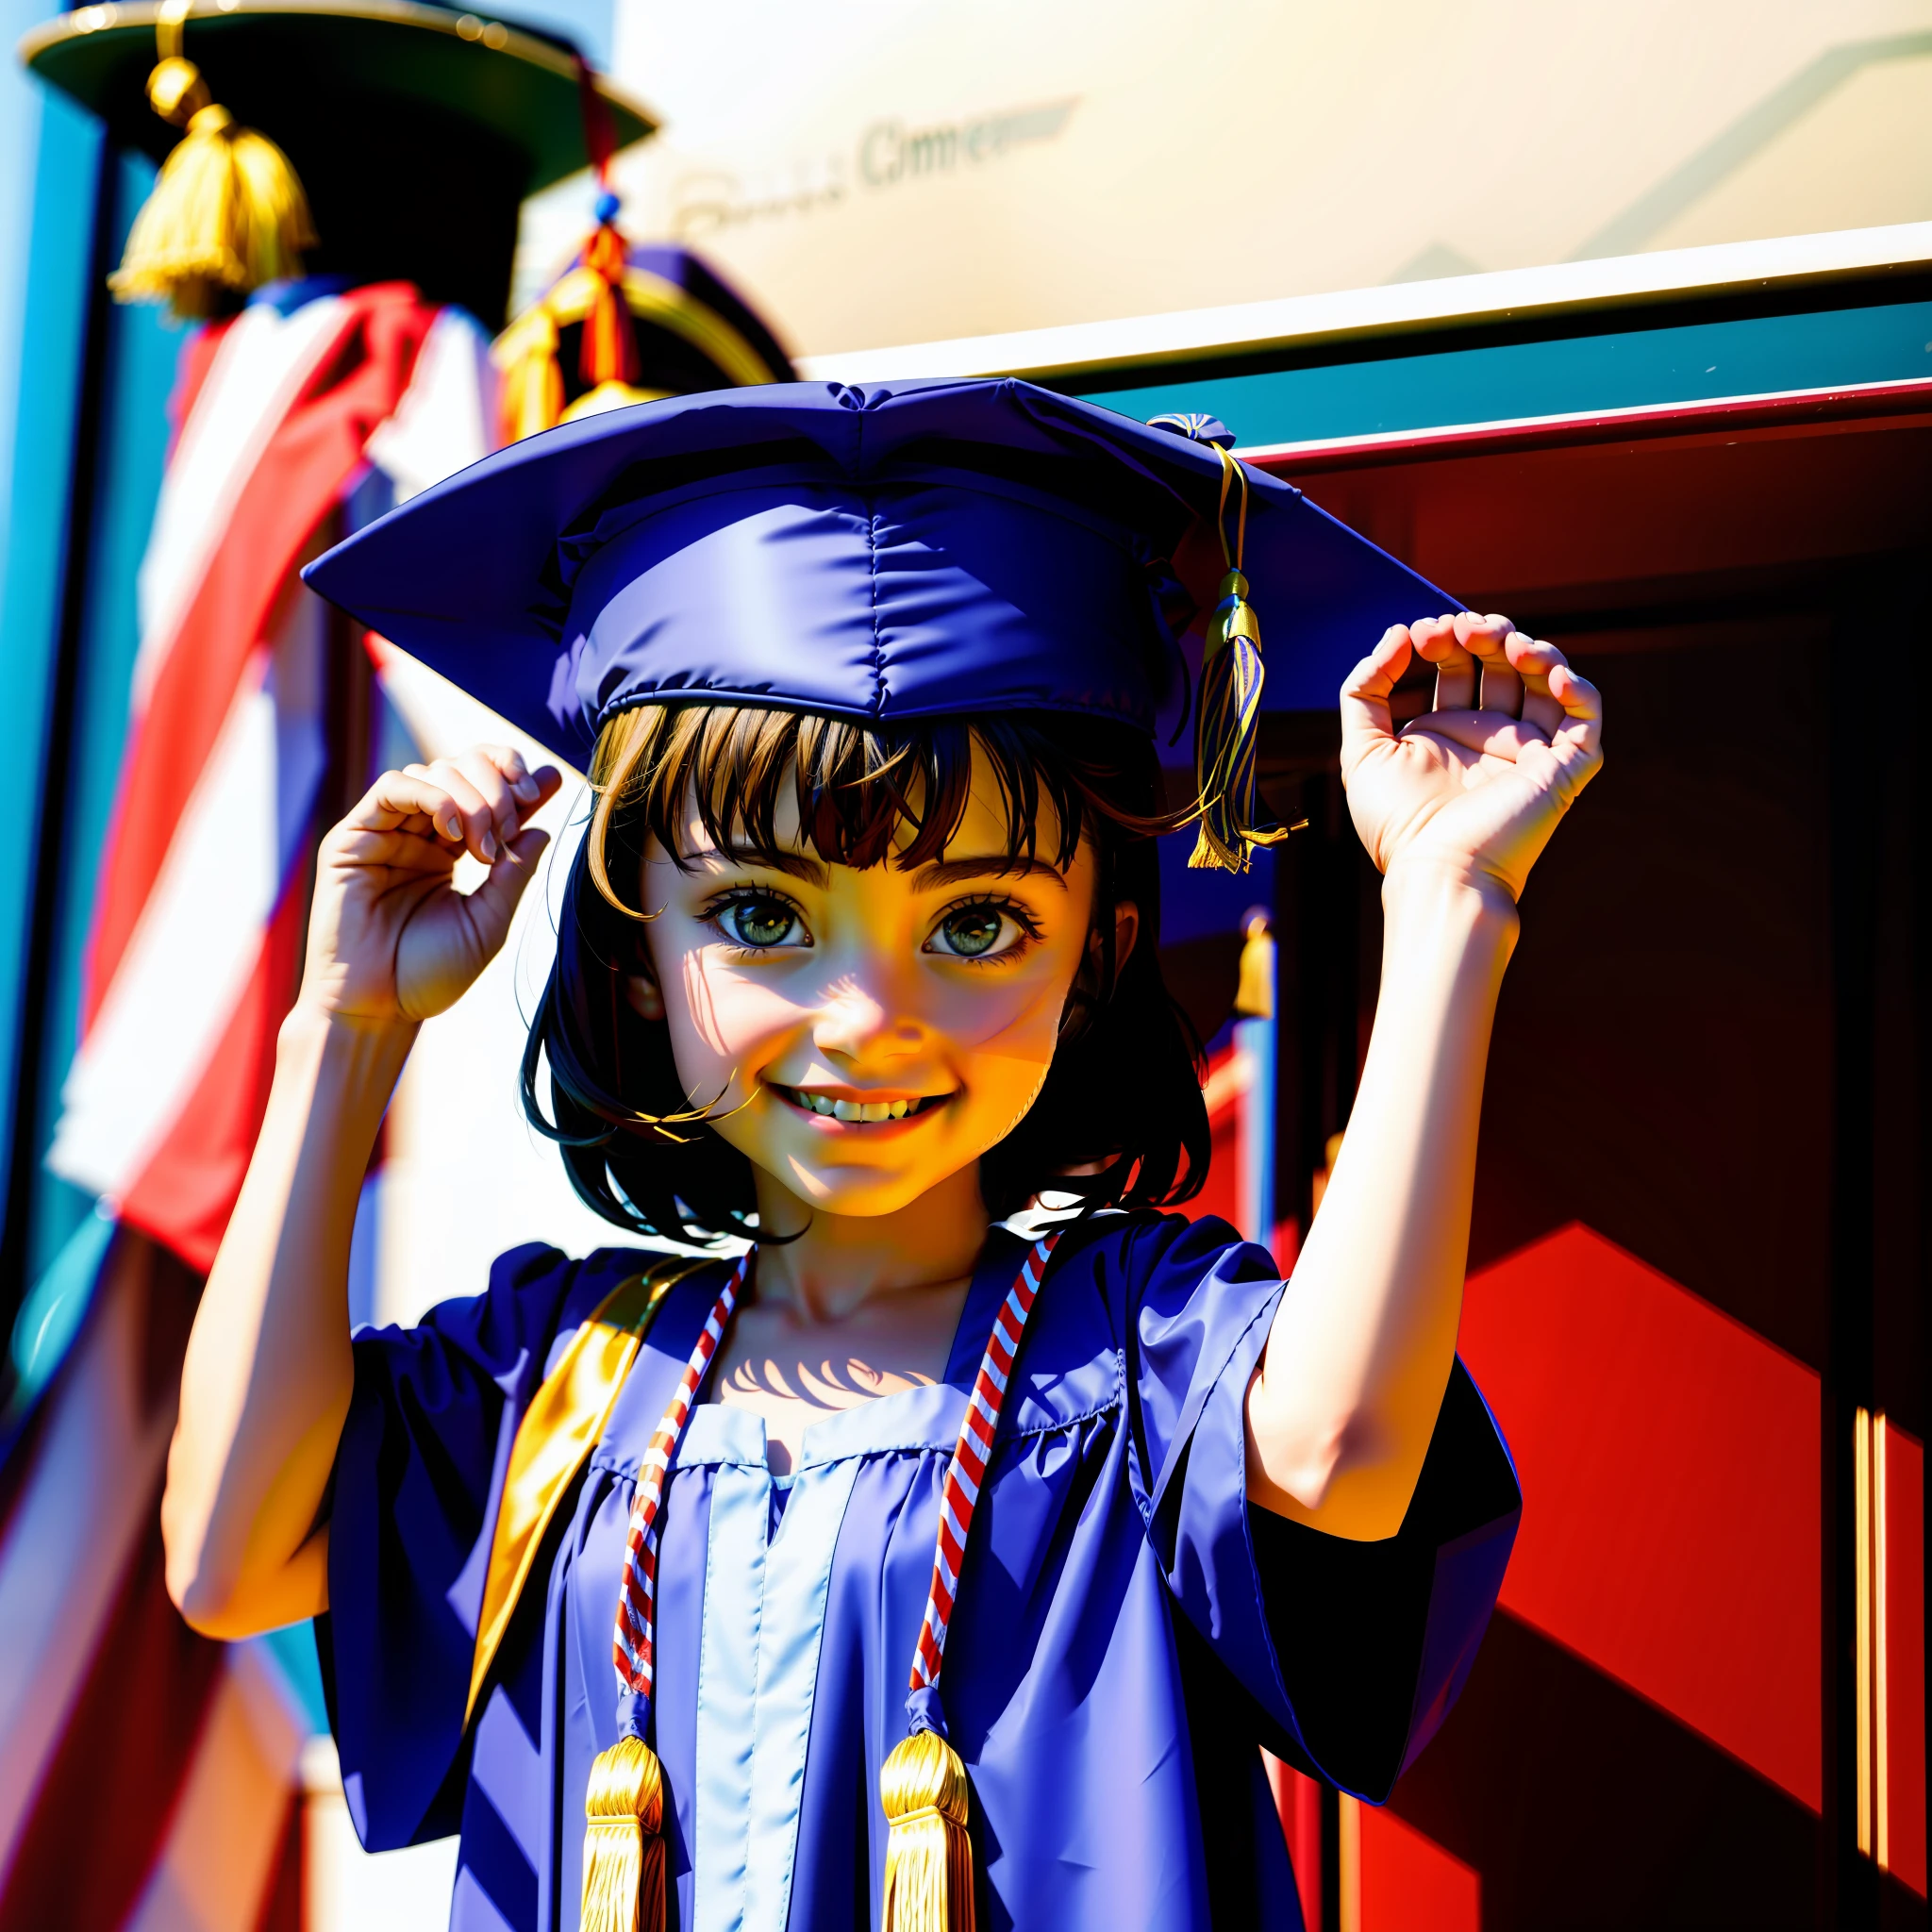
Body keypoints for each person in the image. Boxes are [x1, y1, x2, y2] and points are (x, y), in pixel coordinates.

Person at [158, 378, 1602, 1931]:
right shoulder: (558, 1377)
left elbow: (1338, 1456)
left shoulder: (1134, 1350)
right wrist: (347, 1027)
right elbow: (233, 1556)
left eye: (977, 925)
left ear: (1095, 959)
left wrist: (1452, 904)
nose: (867, 1020)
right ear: (639, 945)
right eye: (763, 917)